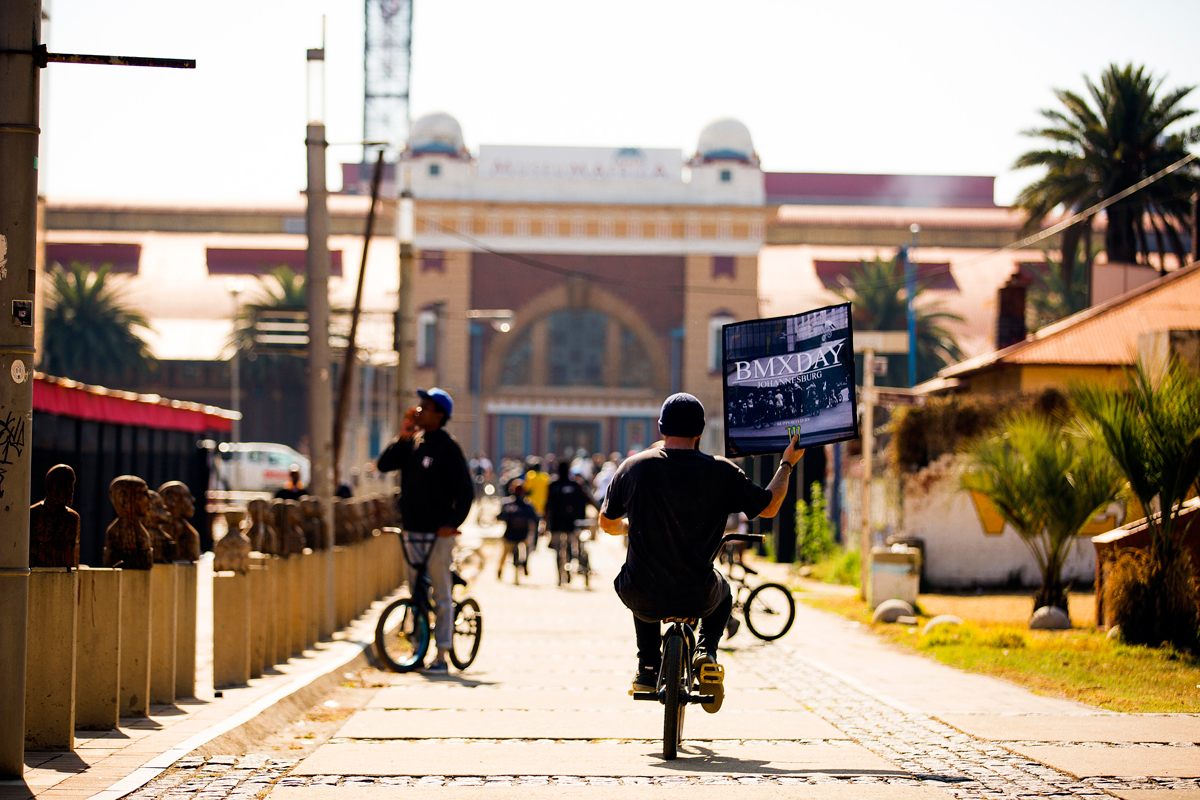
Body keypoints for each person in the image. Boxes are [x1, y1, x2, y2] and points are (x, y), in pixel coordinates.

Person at [599, 392, 802, 712]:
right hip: (698, 593)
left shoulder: (633, 468)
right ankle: (706, 652)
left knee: (638, 579)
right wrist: (787, 463)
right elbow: (770, 505)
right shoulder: (723, 472)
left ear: (661, 428)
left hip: (642, 593)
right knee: (724, 591)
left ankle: (648, 666)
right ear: (700, 432)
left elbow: (606, 523)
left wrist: (628, 528)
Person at [376, 387, 475, 673]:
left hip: (438, 534)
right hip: (412, 531)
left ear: (440, 414)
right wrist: (403, 434)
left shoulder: (448, 447)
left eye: (425, 408)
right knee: (415, 590)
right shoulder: (413, 443)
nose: (419, 411)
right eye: (418, 406)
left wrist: (451, 525)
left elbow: (466, 493)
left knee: (440, 593)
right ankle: (419, 645)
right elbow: (384, 464)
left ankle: (442, 653)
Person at [545, 460, 597, 586]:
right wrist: (601, 511)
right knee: (575, 545)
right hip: (574, 522)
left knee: (558, 548)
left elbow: (548, 505)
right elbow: (589, 499)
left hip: (557, 523)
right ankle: (576, 563)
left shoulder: (553, 484)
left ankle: (560, 574)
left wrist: (545, 523)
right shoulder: (576, 484)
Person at [497, 479, 539, 585]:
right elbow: (534, 520)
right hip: (523, 535)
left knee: (504, 553)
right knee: (529, 547)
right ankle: (525, 564)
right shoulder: (528, 505)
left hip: (509, 535)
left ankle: (500, 569)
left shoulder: (507, 503)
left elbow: (500, 516)